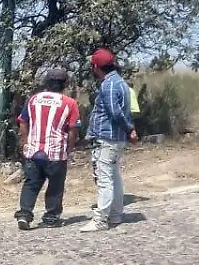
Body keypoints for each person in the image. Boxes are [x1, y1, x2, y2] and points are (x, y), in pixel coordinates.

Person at [14, 68, 79, 230]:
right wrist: (68, 149)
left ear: (46, 83)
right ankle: (51, 216)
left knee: (31, 183)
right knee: (55, 185)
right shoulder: (70, 103)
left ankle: (24, 214)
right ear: (64, 84)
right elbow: (72, 129)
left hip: (34, 149)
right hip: (56, 152)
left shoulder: (33, 99)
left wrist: (26, 141)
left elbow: (23, 122)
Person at [82, 49, 137, 232]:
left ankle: (100, 220)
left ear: (97, 67)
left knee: (104, 178)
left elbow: (115, 112)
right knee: (114, 176)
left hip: (107, 137)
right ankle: (115, 215)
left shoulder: (109, 85)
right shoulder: (120, 83)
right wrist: (129, 130)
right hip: (115, 138)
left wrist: (129, 129)